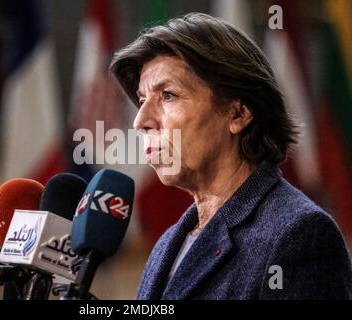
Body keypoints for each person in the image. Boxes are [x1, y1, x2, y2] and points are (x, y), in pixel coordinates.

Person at [109, 13, 352, 299]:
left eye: (168, 95)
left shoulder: (299, 236)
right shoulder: (167, 245)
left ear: (238, 113)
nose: (140, 120)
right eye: (141, 100)